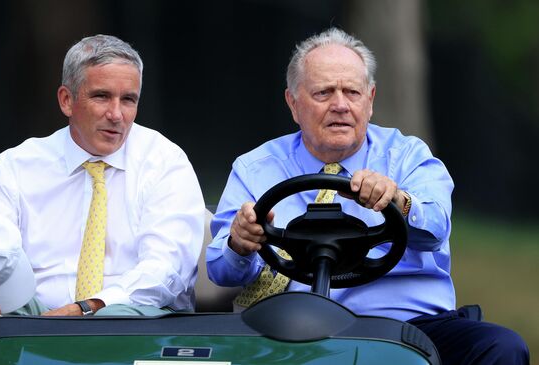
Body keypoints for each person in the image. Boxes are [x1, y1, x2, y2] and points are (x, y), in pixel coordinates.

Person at [206, 28, 528, 364]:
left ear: (370, 100)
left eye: (352, 92)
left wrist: (399, 202)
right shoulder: (254, 168)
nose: (341, 105)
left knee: (501, 347)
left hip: (408, 328)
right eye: (324, 93)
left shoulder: (407, 156)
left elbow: (435, 229)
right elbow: (220, 270)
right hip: (293, 329)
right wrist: (239, 244)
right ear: (293, 103)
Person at [0, 34, 205, 324]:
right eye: (101, 96)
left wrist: (89, 307)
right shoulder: (16, 166)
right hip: (37, 324)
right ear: (67, 100)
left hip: (134, 325)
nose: (116, 114)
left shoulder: (165, 162)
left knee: (123, 313)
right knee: (7, 305)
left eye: (128, 99)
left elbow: (166, 271)